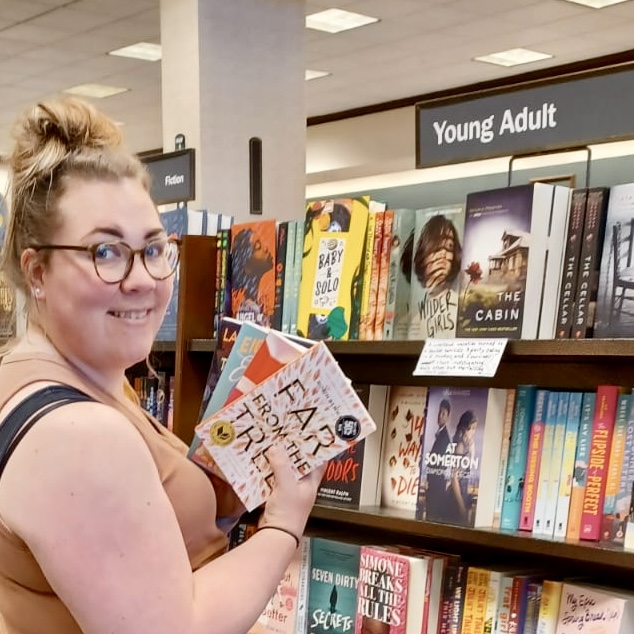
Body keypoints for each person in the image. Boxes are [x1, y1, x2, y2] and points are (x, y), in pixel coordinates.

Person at [0, 96, 325, 634]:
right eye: (105, 252)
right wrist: (285, 523)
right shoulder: (77, 432)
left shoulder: (71, 379)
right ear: (37, 271)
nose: (143, 280)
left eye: (153, 249)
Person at [446, 409, 478, 527]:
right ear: (463, 428)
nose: (472, 432)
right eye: (470, 428)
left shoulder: (468, 445)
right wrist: (462, 508)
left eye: (474, 428)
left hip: (462, 492)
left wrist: (472, 449)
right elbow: (454, 479)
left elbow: (470, 468)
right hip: (456, 496)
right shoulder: (460, 446)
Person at [425, 398, 452, 522]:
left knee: (432, 517)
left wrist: (429, 479)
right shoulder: (440, 435)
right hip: (434, 484)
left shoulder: (444, 438)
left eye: (443, 414)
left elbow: (439, 464)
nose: (440, 416)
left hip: (436, 486)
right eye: (439, 412)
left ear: (447, 417)